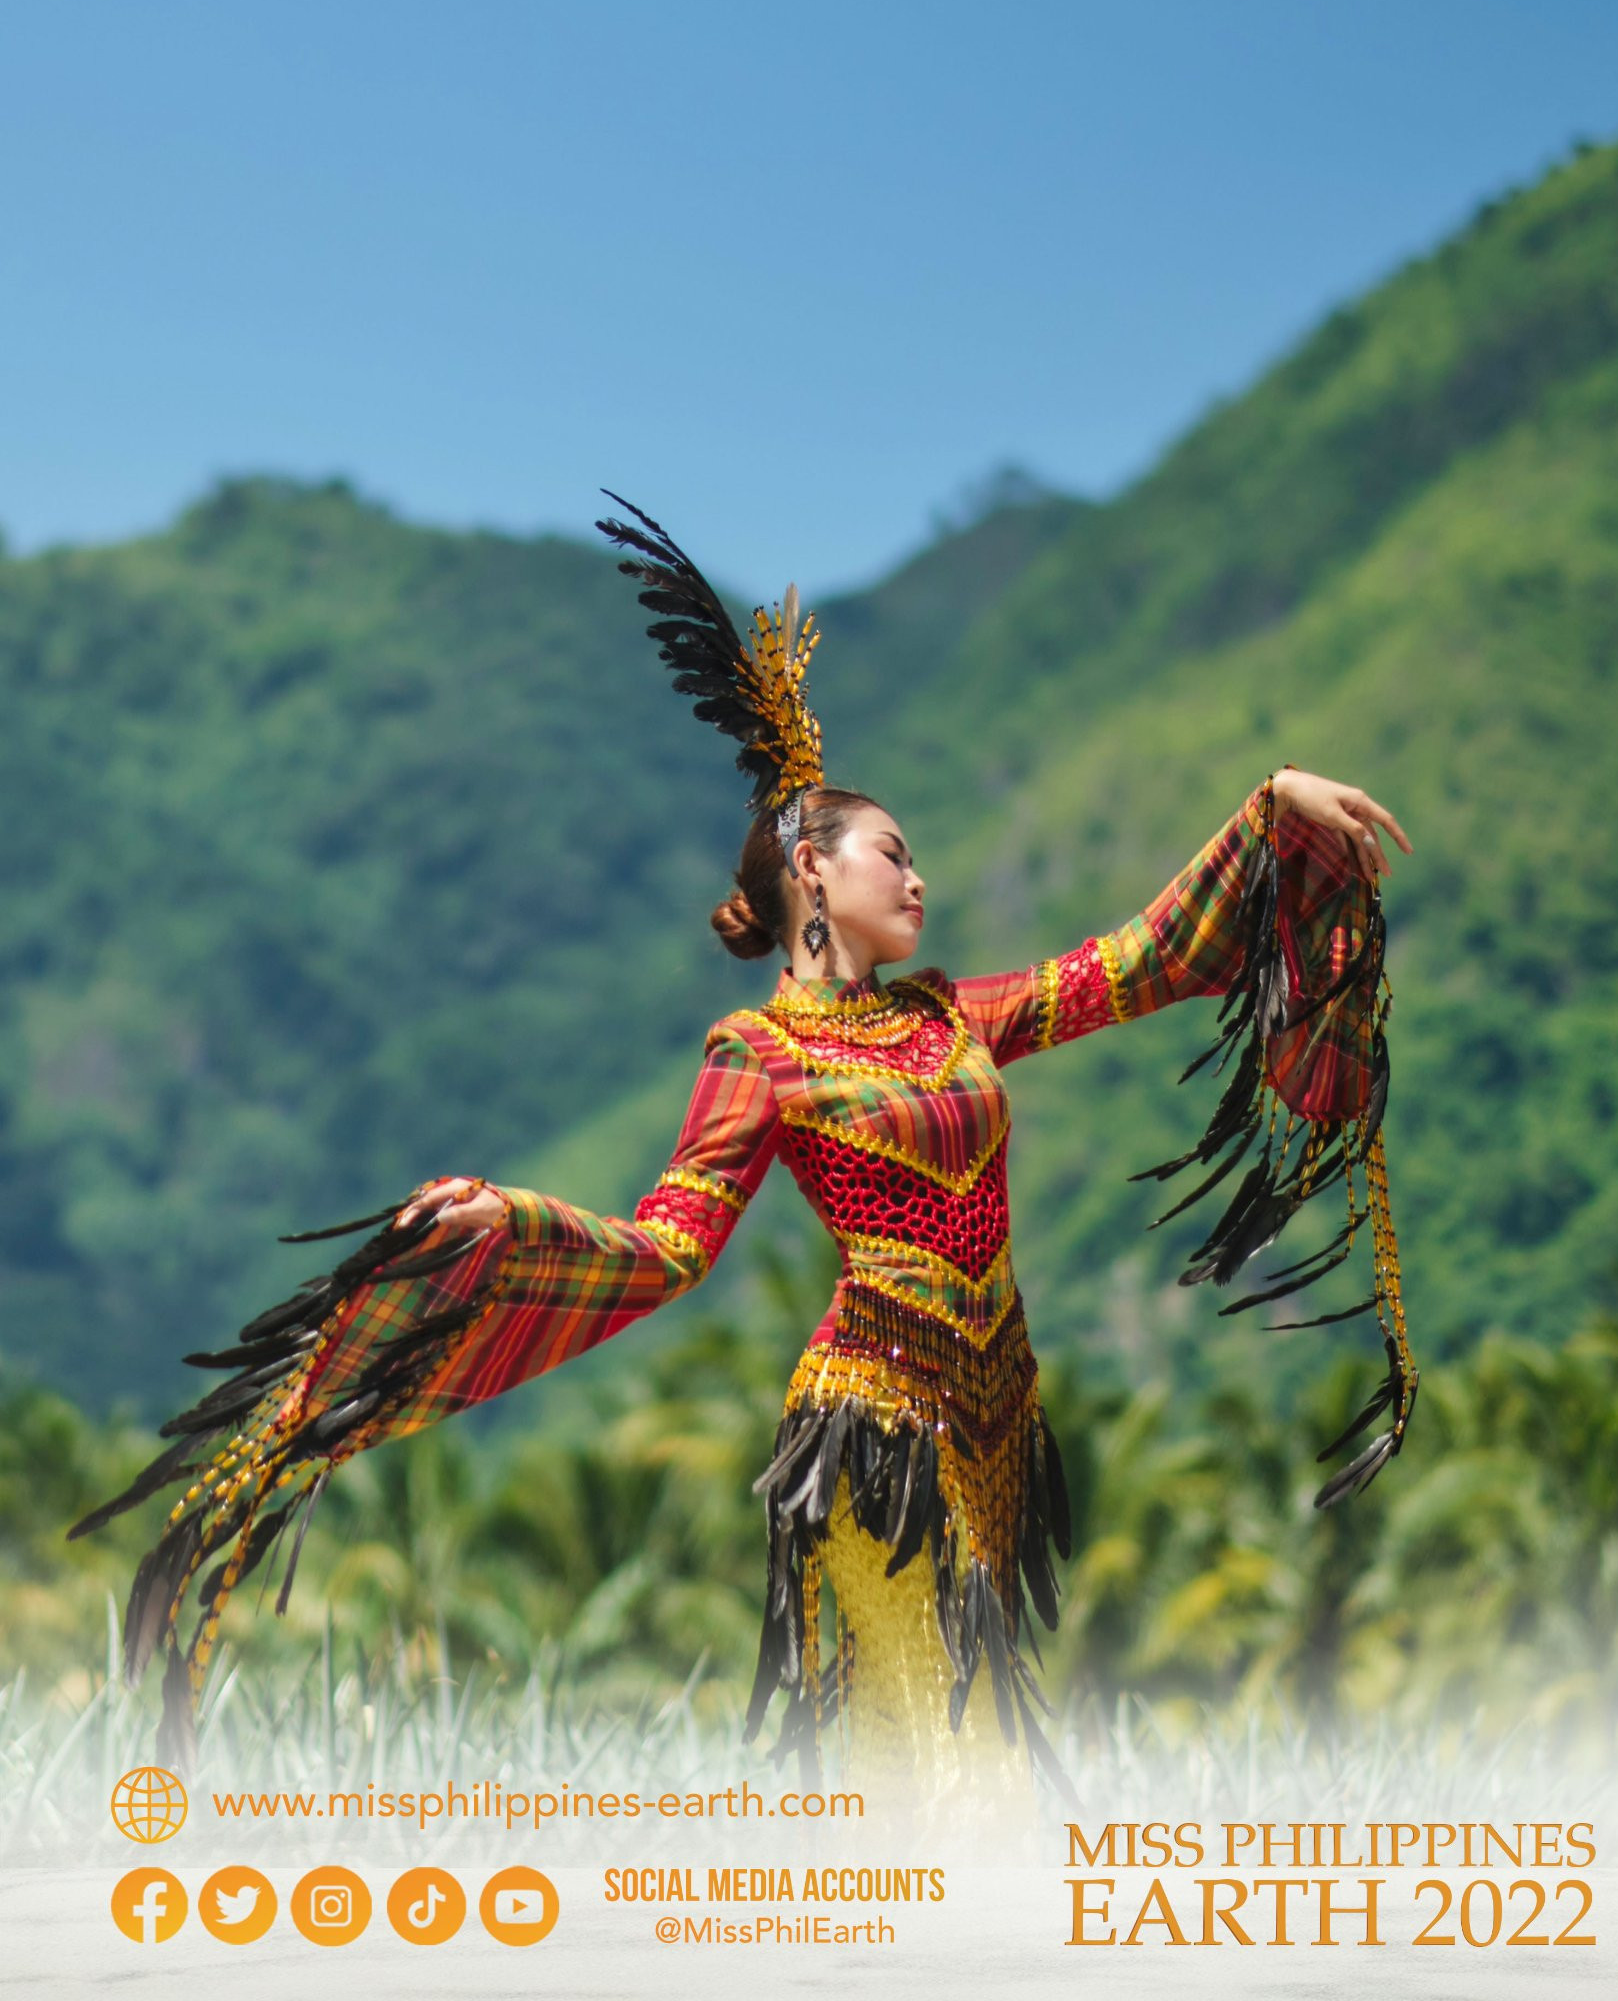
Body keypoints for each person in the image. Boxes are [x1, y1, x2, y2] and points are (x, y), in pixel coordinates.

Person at [75, 497, 1418, 1798]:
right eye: (892, 855)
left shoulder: (955, 1017)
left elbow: (1137, 962)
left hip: (993, 1429)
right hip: (869, 1435)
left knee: (958, 1766)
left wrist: (1270, 809)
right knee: (952, 1781)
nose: (918, 878)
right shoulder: (755, 1057)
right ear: (812, 882)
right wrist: (516, 1221)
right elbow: (666, 1249)